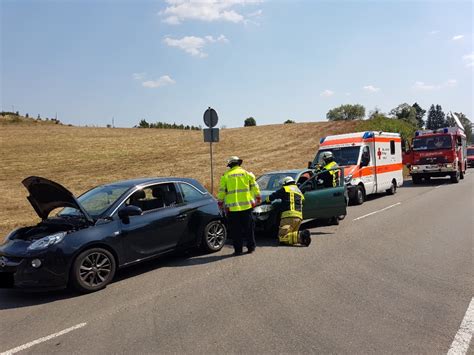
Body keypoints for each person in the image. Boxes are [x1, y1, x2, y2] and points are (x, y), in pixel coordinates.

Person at [217, 156, 261, 255]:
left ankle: (238, 250)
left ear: (230, 165)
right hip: (247, 207)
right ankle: (251, 247)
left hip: (232, 209)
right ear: (239, 164)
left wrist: (220, 202)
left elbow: (222, 191)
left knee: (236, 231)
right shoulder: (247, 174)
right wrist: (258, 198)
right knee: (249, 229)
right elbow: (255, 187)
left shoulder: (226, 176)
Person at [265, 176, 311, 247]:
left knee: (282, 237)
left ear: (285, 183)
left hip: (288, 217)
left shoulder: (285, 189)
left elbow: (274, 196)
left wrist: (266, 200)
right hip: (299, 217)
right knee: (289, 239)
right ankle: (302, 240)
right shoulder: (299, 191)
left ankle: (302, 235)